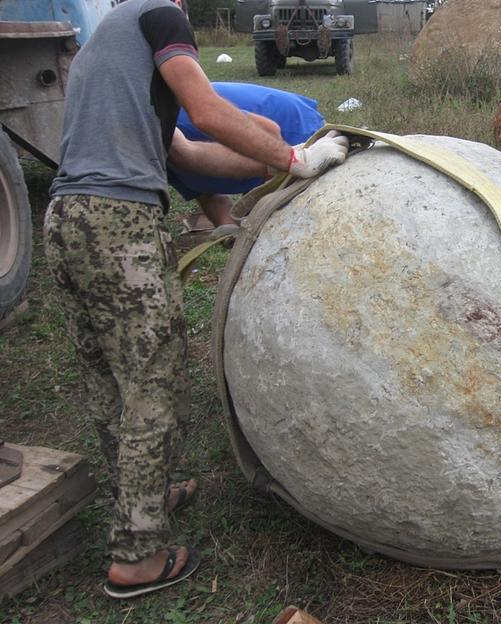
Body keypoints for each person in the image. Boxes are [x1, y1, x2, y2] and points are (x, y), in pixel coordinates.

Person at [43, 0, 348, 599]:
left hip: (65, 217)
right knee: (154, 385)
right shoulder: (161, 15)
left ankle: (144, 499)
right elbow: (207, 110)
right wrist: (297, 156)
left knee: (111, 381)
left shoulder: (104, 41)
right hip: (117, 222)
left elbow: (184, 152)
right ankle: (135, 557)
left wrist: (274, 165)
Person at [169, 81, 326, 229]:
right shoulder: (159, 160)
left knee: (308, 221)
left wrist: (266, 204)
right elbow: (206, 194)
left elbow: (270, 132)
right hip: (270, 154)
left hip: (293, 129)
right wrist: (229, 230)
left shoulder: (182, 121)